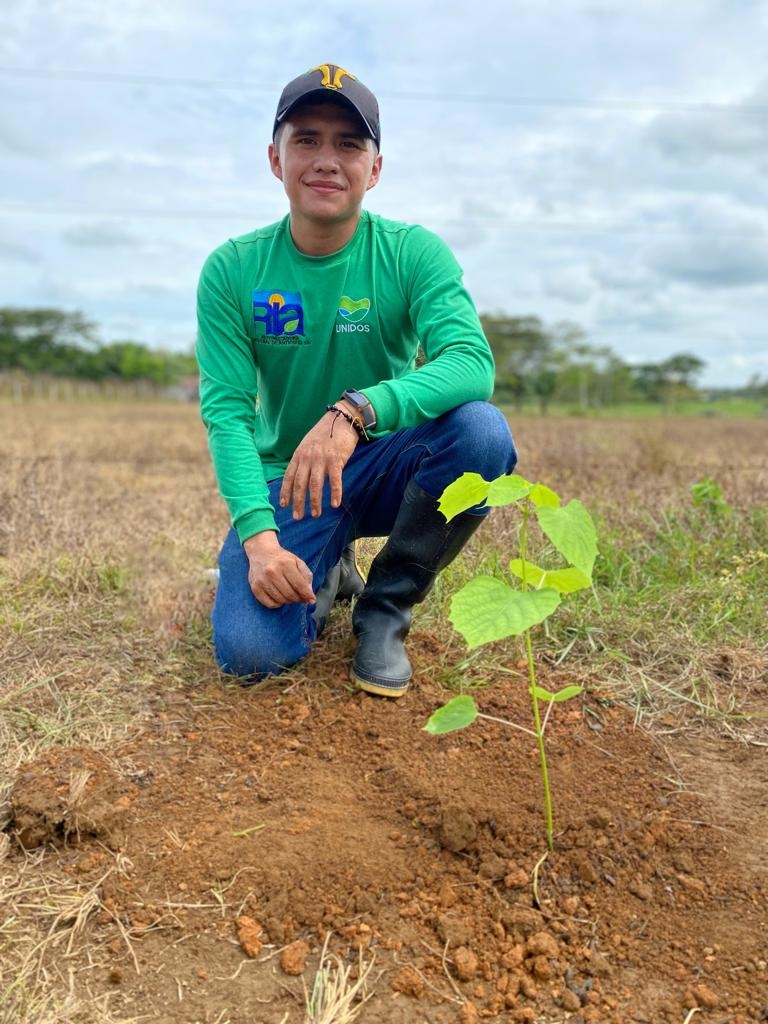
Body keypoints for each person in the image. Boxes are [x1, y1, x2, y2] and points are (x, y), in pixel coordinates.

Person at [195, 62, 517, 698]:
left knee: (481, 430)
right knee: (252, 653)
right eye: (306, 139)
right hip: (290, 481)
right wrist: (261, 541)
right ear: (274, 158)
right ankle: (327, 568)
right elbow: (228, 413)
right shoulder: (233, 269)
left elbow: (471, 363)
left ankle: (385, 609)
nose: (326, 160)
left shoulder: (411, 252)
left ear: (374, 168)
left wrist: (356, 411)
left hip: (380, 466)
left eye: (349, 143)